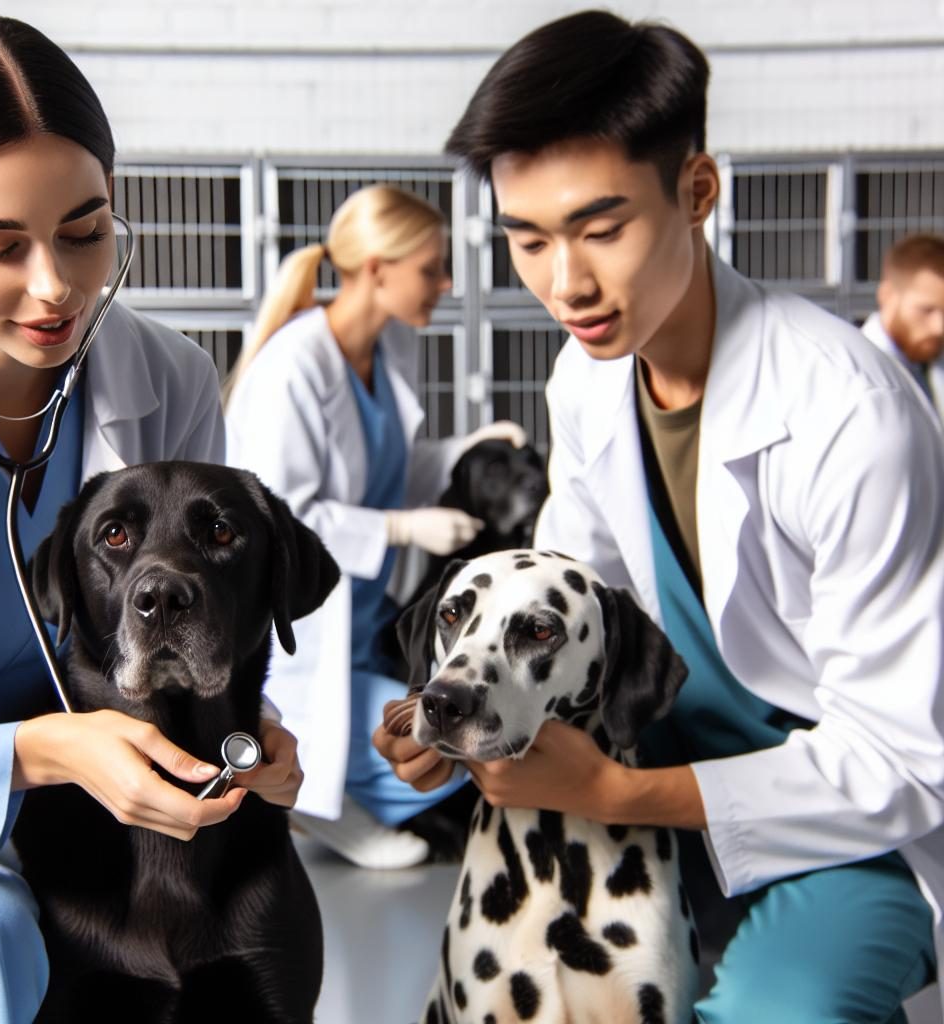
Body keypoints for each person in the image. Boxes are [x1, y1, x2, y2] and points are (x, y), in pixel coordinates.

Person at [374, 11, 944, 1022]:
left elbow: (901, 763)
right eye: (528, 240)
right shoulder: (586, 382)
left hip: (849, 826)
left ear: (696, 192)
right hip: (650, 772)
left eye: (601, 230)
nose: (565, 283)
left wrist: (618, 797)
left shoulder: (853, 414)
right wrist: (454, 708)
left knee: (780, 1010)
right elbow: (573, 600)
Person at [0, 14, 303, 1022]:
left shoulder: (166, 378)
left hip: (95, 834)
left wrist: (246, 739)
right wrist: (40, 752)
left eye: (86, 233)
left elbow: (191, 614)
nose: (55, 288)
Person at [224, 183, 525, 869]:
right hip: (297, 646)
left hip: (362, 629)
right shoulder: (293, 368)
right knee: (448, 738)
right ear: (376, 270)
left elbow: (394, 468)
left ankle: (333, 787)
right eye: (432, 269)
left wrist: (469, 450)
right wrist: (400, 530)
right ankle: (313, 801)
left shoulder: (389, 350)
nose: (445, 285)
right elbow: (283, 516)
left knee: (481, 725)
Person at [862, 233, 944, 421]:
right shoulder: (854, 377)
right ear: (887, 295)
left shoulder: (931, 361)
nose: (939, 327)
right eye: (926, 310)